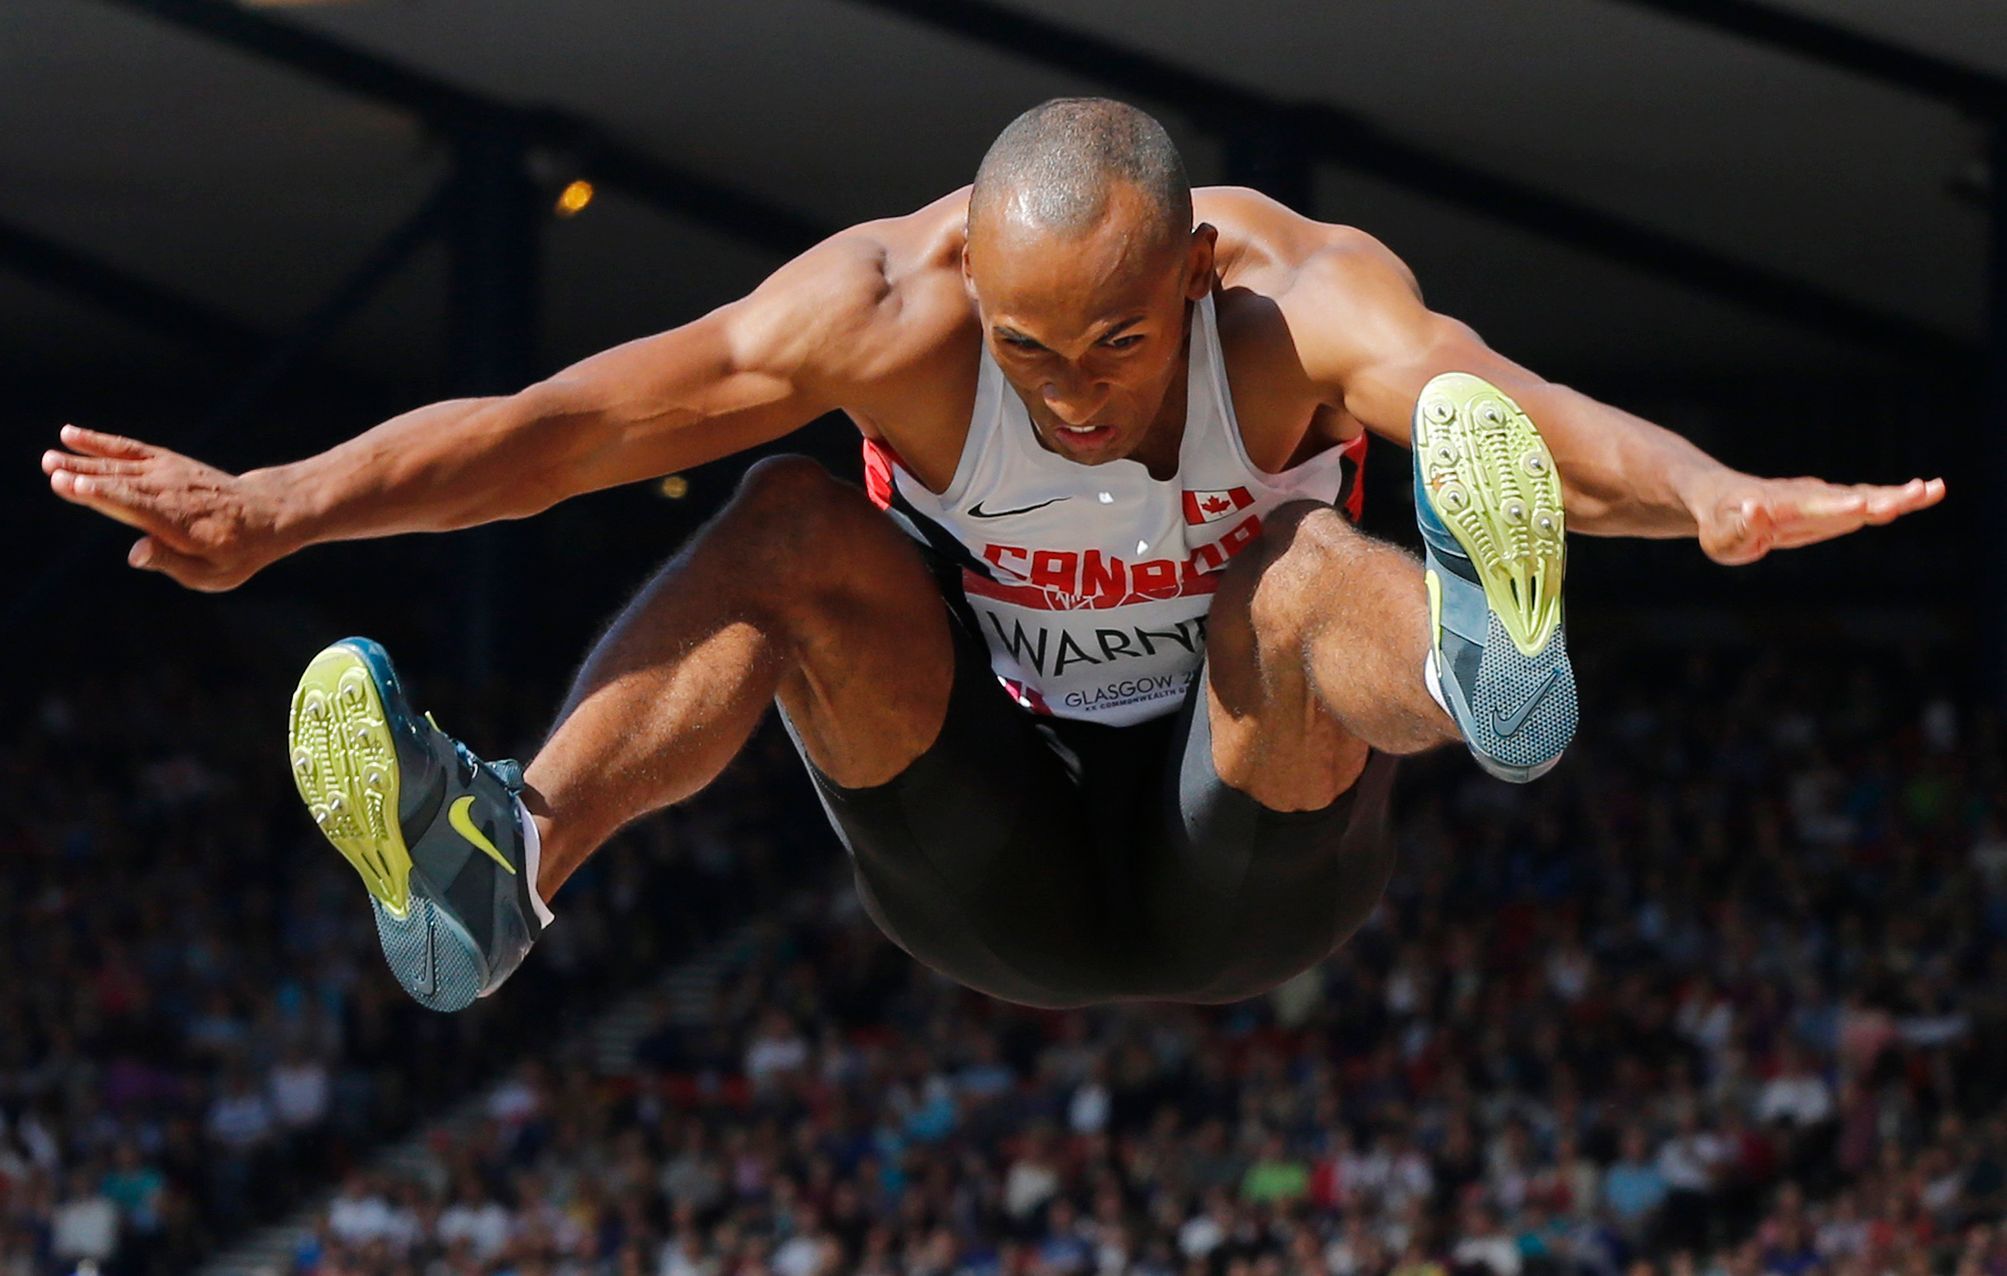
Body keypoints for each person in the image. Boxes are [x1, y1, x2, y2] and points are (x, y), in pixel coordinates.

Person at [43, 99, 1941, 1014]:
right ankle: (496, 872)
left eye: (1118, 345)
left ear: (1198, 273)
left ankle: (1480, 665)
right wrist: (285, 504)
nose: (1075, 393)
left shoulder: (1299, 306)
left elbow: (1504, 405)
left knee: (1277, 576)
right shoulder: (888, 313)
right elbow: (576, 428)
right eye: (1031, 351)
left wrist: (1701, 489)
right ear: (970, 284)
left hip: (1254, 839)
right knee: (790, 520)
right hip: (982, 858)